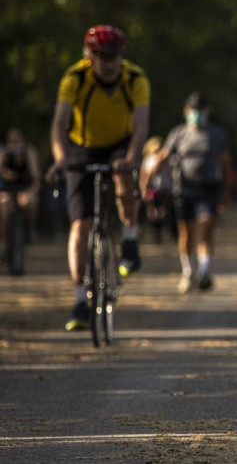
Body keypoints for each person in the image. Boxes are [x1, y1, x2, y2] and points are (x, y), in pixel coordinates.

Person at [46, 26, 150, 331]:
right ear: (89, 56)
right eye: (103, 56)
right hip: (82, 147)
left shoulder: (135, 79)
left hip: (120, 143)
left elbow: (142, 127)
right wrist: (61, 158)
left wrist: (131, 159)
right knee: (80, 226)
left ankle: (130, 239)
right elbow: (59, 124)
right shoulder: (74, 79)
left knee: (123, 176)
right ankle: (80, 300)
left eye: (115, 56)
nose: (109, 63)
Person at [149, 93, 233, 293]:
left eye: (201, 111)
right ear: (187, 112)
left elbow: (226, 164)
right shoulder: (178, 134)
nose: (198, 115)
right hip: (184, 189)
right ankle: (188, 270)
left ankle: (205, 271)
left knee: (206, 225)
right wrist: (149, 181)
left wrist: (227, 191)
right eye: (194, 111)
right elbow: (162, 157)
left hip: (209, 188)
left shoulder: (217, 134)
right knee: (186, 231)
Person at [0, 129, 42, 249]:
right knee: (4, 209)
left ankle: (29, 229)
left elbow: (35, 174)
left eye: (16, 140)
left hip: (25, 187)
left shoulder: (29, 152)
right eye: (11, 140)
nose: (14, 143)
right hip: (8, 189)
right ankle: (5, 241)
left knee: (29, 203)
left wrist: (34, 187)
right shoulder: (4, 154)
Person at [139, 136, 175, 244]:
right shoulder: (148, 161)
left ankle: (171, 234)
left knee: (166, 211)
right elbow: (144, 175)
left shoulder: (168, 160)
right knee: (153, 212)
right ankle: (156, 235)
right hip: (152, 189)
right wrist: (143, 188)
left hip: (165, 189)